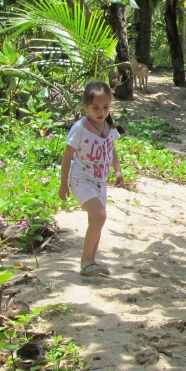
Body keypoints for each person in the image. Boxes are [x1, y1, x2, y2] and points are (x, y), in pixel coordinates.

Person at [59, 81, 124, 276]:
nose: (101, 112)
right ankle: (85, 262)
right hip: (81, 180)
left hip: (100, 182)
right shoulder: (80, 128)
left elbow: (111, 147)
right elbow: (67, 156)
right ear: (85, 106)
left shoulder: (109, 126)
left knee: (95, 221)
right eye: (95, 107)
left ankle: (92, 261)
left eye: (105, 107)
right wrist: (63, 184)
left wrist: (118, 170)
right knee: (100, 216)